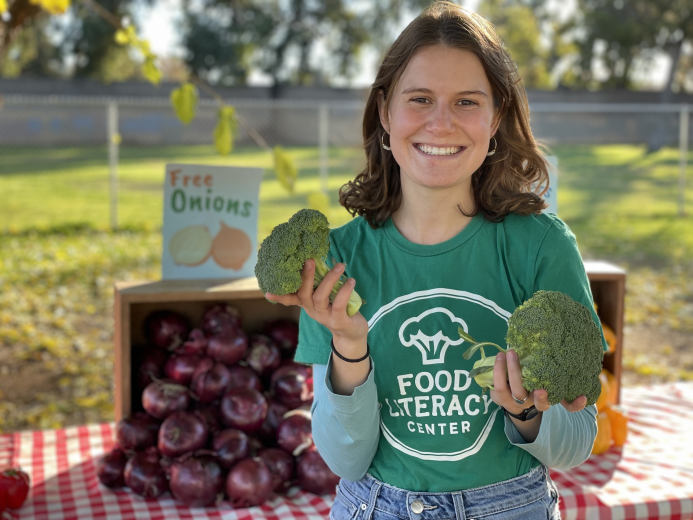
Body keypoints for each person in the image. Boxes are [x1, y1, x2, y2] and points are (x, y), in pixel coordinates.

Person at [266, 2, 607, 519]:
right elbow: (345, 459)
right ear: (385, 111)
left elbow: (577, 442)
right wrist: (350, 347)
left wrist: (527, 413)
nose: (441, 123)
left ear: (496, 116)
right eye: (419, 98)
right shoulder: (338, 260)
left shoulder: (542, 247)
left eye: (467, 102)